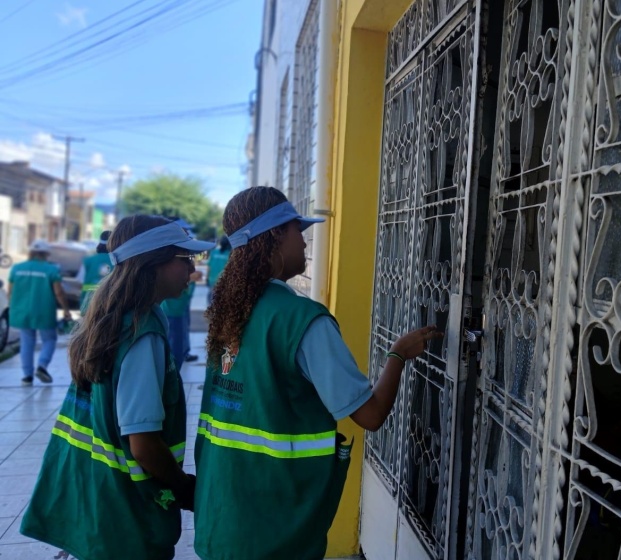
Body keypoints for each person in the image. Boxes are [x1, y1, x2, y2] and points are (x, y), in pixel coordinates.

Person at [194, 187, 442, 559]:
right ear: (274, 236)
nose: (305, 240)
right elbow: (370, 415)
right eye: (298, 229)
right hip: (275, 523)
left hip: (223, 514)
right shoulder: (303, 320)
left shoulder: (232, 311)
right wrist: (399, 355)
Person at [20, 215, 214, 560]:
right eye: (185, 259)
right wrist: (184, 488)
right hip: (125, 515)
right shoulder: (142, 334)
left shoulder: (117, 316)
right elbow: (143, 444)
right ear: (153, 263)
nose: (192, 270)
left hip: (95, 498)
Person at [7, 239, 71, 385]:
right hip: (44, 312)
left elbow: (10, 291)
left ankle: (27, 376)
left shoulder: (17, 268)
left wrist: (13, 306)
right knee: (49, 340)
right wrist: (66, 310)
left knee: (27, 343)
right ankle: (42, 365)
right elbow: (59, 292)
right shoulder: (50, 270)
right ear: (46, 254)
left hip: (22, 312)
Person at [76, 230, 113, 315]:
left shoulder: (88, 260)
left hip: (87, 306)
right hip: (109, 308)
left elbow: (80, 283)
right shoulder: (118, 261)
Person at [205, 235, 231, 306]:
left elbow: (209, 267)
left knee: (211, 296)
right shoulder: (229, 254)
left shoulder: (213, 252)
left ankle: (210, 310)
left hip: (212, 279)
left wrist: (207, 278)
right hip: (223, 280)